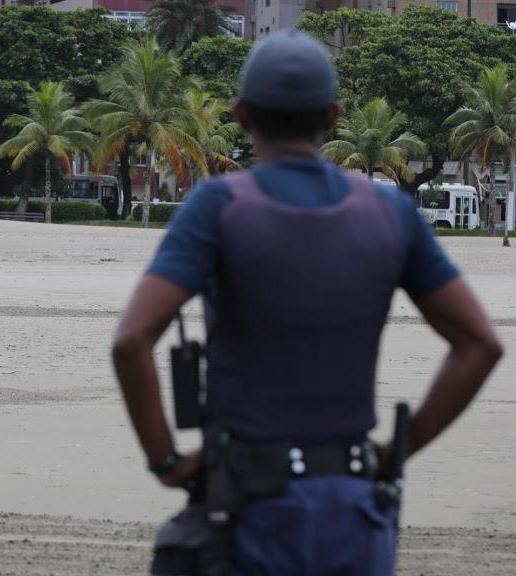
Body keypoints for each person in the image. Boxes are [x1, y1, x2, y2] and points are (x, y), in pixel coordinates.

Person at [111, 31, 503, 576]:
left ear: (242, 114)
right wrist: (394, 454)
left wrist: (167, 461)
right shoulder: (390, 213)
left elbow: (132, 340)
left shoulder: (219, 206)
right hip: (353, 511)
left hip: (249, 505)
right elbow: (479, 344)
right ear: (334, 116)